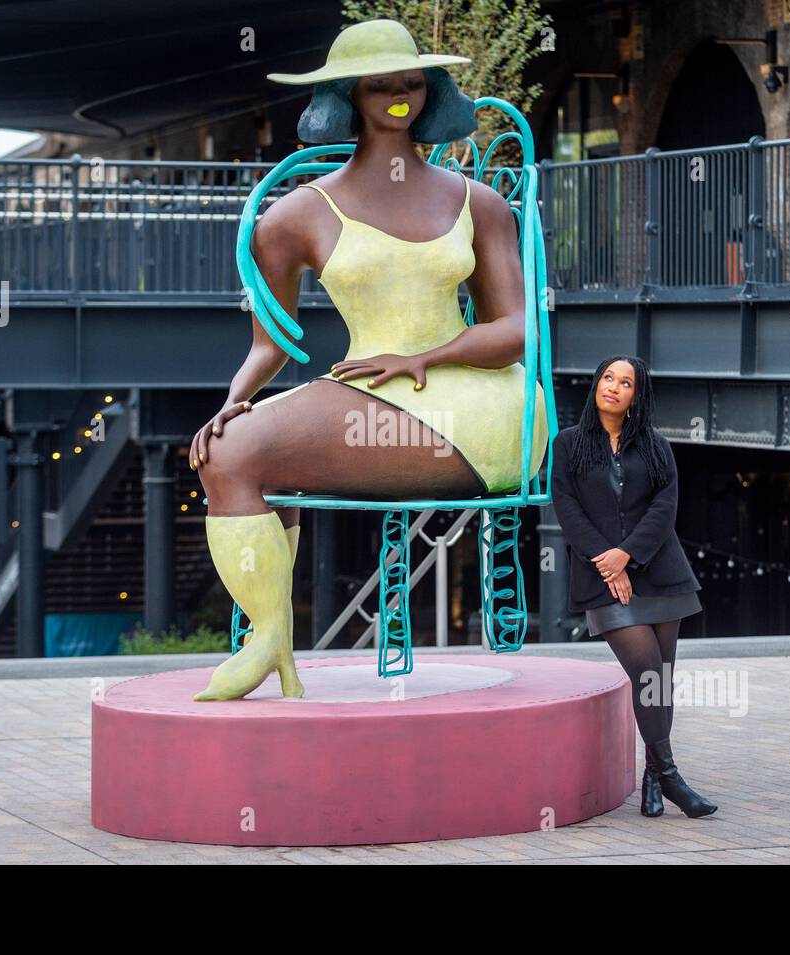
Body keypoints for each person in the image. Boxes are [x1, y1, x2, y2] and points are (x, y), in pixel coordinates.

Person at [187, 19, 549, 701]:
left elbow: (520, 330)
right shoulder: (294, 217)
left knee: (239, 456)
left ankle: (269, 644)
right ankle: (271, 636)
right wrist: (232, 400)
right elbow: (269, 344)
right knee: (232, 447)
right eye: (379, 84)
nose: (398, 96)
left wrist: (426, 357)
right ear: (349, 95)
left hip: (485, 408)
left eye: (410, 81)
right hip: (370, 395)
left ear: (430, 87)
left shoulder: (479, 201)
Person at [550, 354, 718, 818]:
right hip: (602, 579)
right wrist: (610, 563)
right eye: (608, 377)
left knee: (659, 682)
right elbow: (567, 509)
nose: (614, 387)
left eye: (625, 383)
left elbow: (666, 507)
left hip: (663, 574)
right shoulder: (567, 445)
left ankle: (653, 776)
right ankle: (670, 776)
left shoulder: (656, 446)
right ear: (596, 384)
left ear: (636, 396)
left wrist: (630, 554)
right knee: (646, 668)